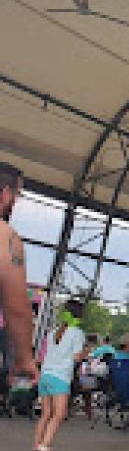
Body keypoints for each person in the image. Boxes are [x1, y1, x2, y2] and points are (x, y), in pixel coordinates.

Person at [29, 299, 87, 451]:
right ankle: (45, 446)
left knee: (46, 414)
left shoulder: (53, 331)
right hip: (60, 377)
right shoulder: (77, 333)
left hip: (45, 375)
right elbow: (76, 357)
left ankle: (35, 449)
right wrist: (86, 353)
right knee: (59, 414)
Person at [0, 163, 37, 387]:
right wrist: (24, 359)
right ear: (4, 193)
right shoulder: (6, 238)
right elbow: (17, 309)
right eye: (17, 195)